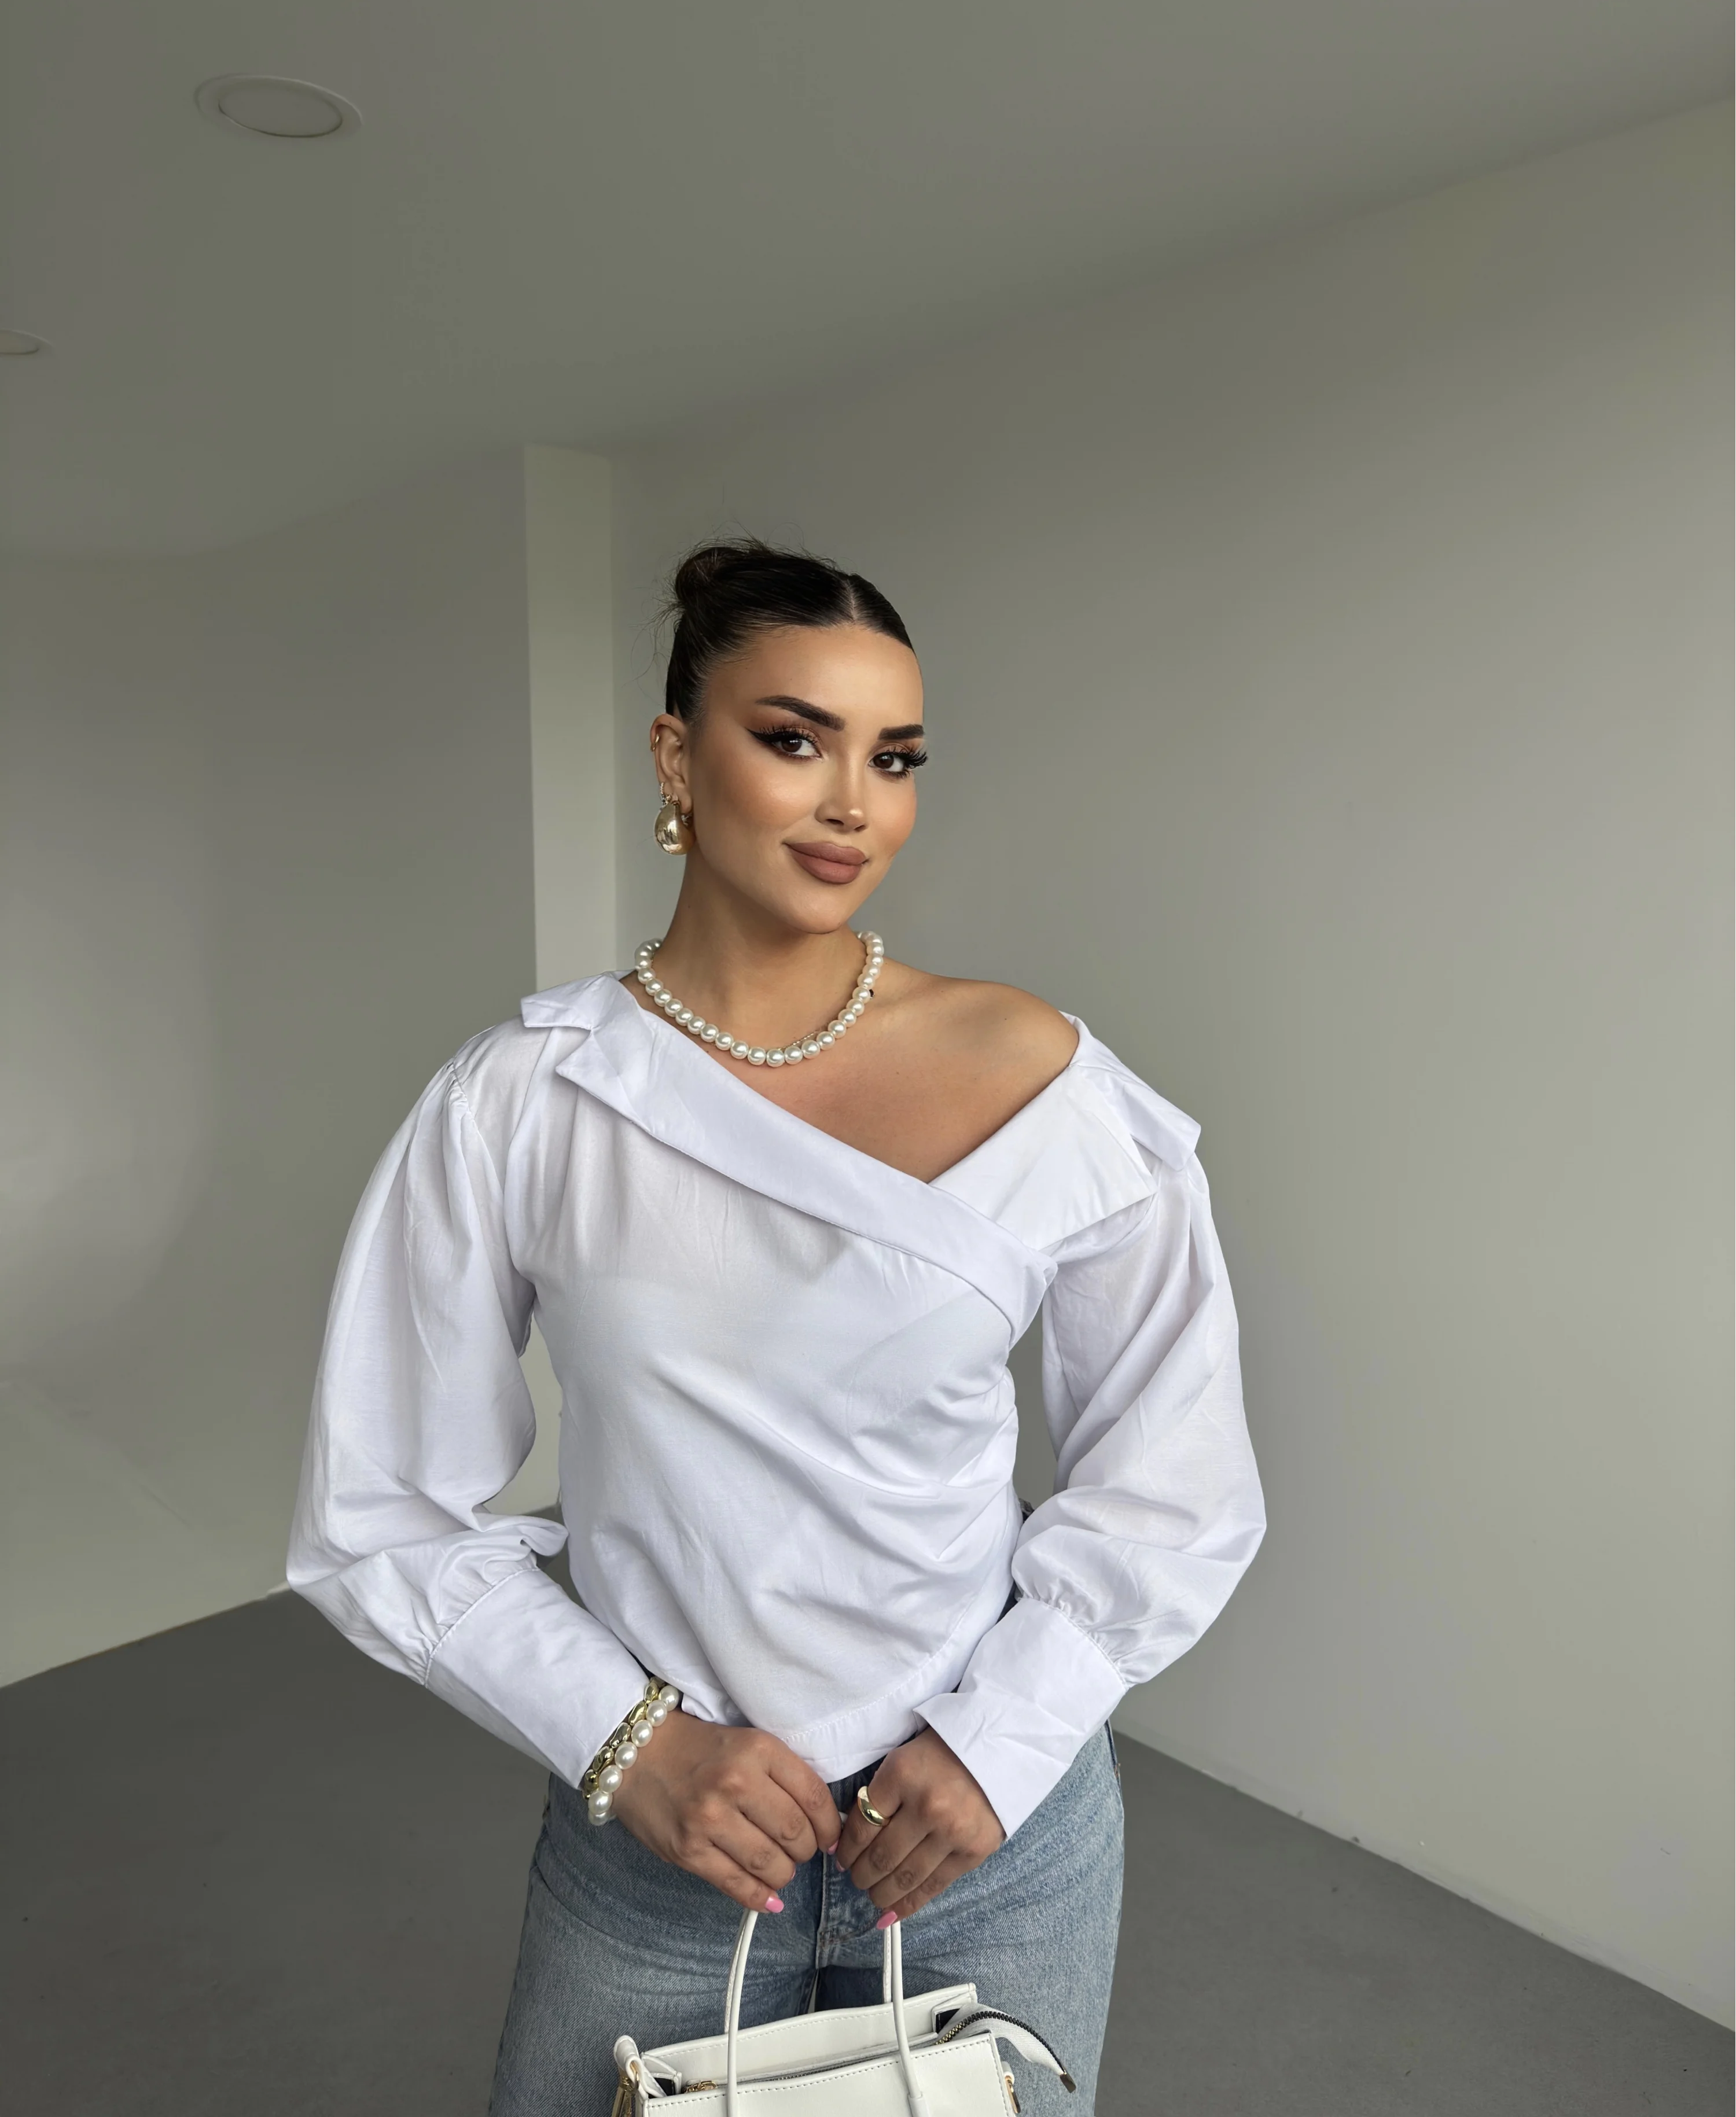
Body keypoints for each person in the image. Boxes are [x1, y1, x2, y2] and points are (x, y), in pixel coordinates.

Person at [286, 539, 1266, 2115]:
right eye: (795, 738)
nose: (852, 803)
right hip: (662, 1848)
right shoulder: (529, 1101)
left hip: (986, 1837)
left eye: (896, 757)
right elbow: (379, 1506)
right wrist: (630, 1743)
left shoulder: (1046, 1081)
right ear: (678, 758)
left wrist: (1000, 1741)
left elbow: (1180, 1477)